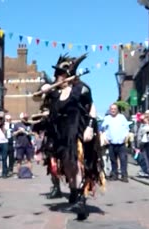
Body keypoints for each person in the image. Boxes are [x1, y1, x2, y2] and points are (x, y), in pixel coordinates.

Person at [35, 54, 105, 219]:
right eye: (58, 74)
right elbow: (38, 97)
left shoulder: (81, 89)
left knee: (77, 163)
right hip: (61, 134)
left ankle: (81, 200)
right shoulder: (55, 93)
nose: (59, 76)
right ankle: (74, 192)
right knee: (67, 166)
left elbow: (92, 108)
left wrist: (89, 128)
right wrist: (44, 88)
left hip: (78, 130)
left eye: (62, 73)